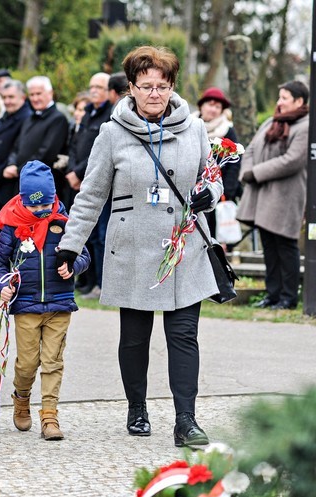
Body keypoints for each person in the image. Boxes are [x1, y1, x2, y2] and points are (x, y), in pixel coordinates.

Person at [56, 46, 223, 448]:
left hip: (182, 246)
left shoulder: (195, 128)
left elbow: (212, 177)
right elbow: (92, 194)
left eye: (162, 86)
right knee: (134, 338)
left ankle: (186, 420)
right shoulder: (112, 133)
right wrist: (70, 245)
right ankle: (137, 407)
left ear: (172, 87)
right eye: (146, 86)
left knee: (183, 335)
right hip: (131, 248)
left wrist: (210, 194)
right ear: (130, 87)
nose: (154, 93)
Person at [0, 160, 90, 440]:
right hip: (26, 305)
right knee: (27, 363)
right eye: (34, 206)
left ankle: (49, 416)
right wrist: (3, 284)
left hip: (60, 304)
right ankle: (21, 398)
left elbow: (83, 254)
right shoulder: (11, 226)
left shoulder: (64, 221)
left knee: (53, 362)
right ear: (23, 200)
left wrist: (73, 265)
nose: (40, 211)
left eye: (45, 204)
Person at [237, 80, 309, 310]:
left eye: (284, 98)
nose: (279, 102)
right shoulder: (271, 122)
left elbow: (292, 161)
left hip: (286, 196)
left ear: (299, 101)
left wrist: (256, 173)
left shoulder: (306, 126)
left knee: (286, 246)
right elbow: (250, 149)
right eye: (279, 97)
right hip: (263, 195)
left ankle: (288, 297)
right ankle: (273, 294)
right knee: (269, 245)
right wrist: (246, 171)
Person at [66, 72, 113, 299]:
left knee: (102, 236)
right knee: (89, 236)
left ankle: (103, 284)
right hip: (79, 180)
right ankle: (89, 281)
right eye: (92, 86)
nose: (94, 90)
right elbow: (75, 145)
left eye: (100, 87)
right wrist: (72, 170)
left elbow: (99, 151)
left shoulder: (109, 114)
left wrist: (80, 172)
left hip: (94, 180)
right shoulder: (87, 113)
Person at [2, 76, 69, 215]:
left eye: (39, 93)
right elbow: (17, 146)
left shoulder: (58, 119)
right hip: (21, 180)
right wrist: (11, 163)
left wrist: (18, 169)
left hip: (42, 185)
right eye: (32, 94)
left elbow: (47, 153)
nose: (35, 98)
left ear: (50, 93)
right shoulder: (29, 118)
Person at [193, 87, 243, 240]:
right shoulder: (190, 125)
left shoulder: (227, 130)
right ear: (201, 105)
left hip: (218, 193)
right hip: (193, 191)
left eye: (218, 107)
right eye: (210, 104)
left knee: (214, 237)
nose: (213, 109)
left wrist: (225, 192)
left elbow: (235, 162)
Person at [0, 80, 32, 220]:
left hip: (7, 181)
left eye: (11, 97)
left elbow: (16, 151)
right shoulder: (4, 117)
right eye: (4, 97)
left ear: (22, 97)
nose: (7, 101)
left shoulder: (27, 118)